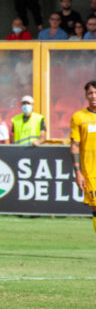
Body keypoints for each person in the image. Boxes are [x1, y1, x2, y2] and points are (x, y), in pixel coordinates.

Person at [70, 80, 96, 232]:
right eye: (90, 93)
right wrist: (78, 173)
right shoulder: (79, 117)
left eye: (95, 92)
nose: (93, 96)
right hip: (91, 172)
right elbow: (74, 146)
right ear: (86, 96)